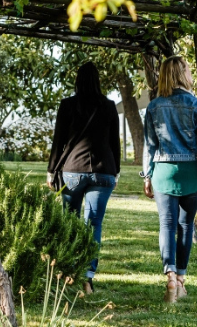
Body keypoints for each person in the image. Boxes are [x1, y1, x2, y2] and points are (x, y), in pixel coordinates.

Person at [141, 56, 197, 303]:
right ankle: (181, 281)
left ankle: (170, 276)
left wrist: (147, 176)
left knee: (167, 224)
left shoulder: (154, 107)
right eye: (188, 69)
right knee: (186, 226)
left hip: (163, 171)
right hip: (192, 172)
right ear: (183, 74)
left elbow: (149, 146)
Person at [47, 61, 120, 295]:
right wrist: (115, 171)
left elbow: (58, 140)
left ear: (77, 80)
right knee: (93, 225)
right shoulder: (109, 106)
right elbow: (114, 143)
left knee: (70, 221)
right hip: (103, 172)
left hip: (72, 171)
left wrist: (51, 171)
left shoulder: (68, 105)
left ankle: (68, 273)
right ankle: (87, 279)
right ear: (98, 81)